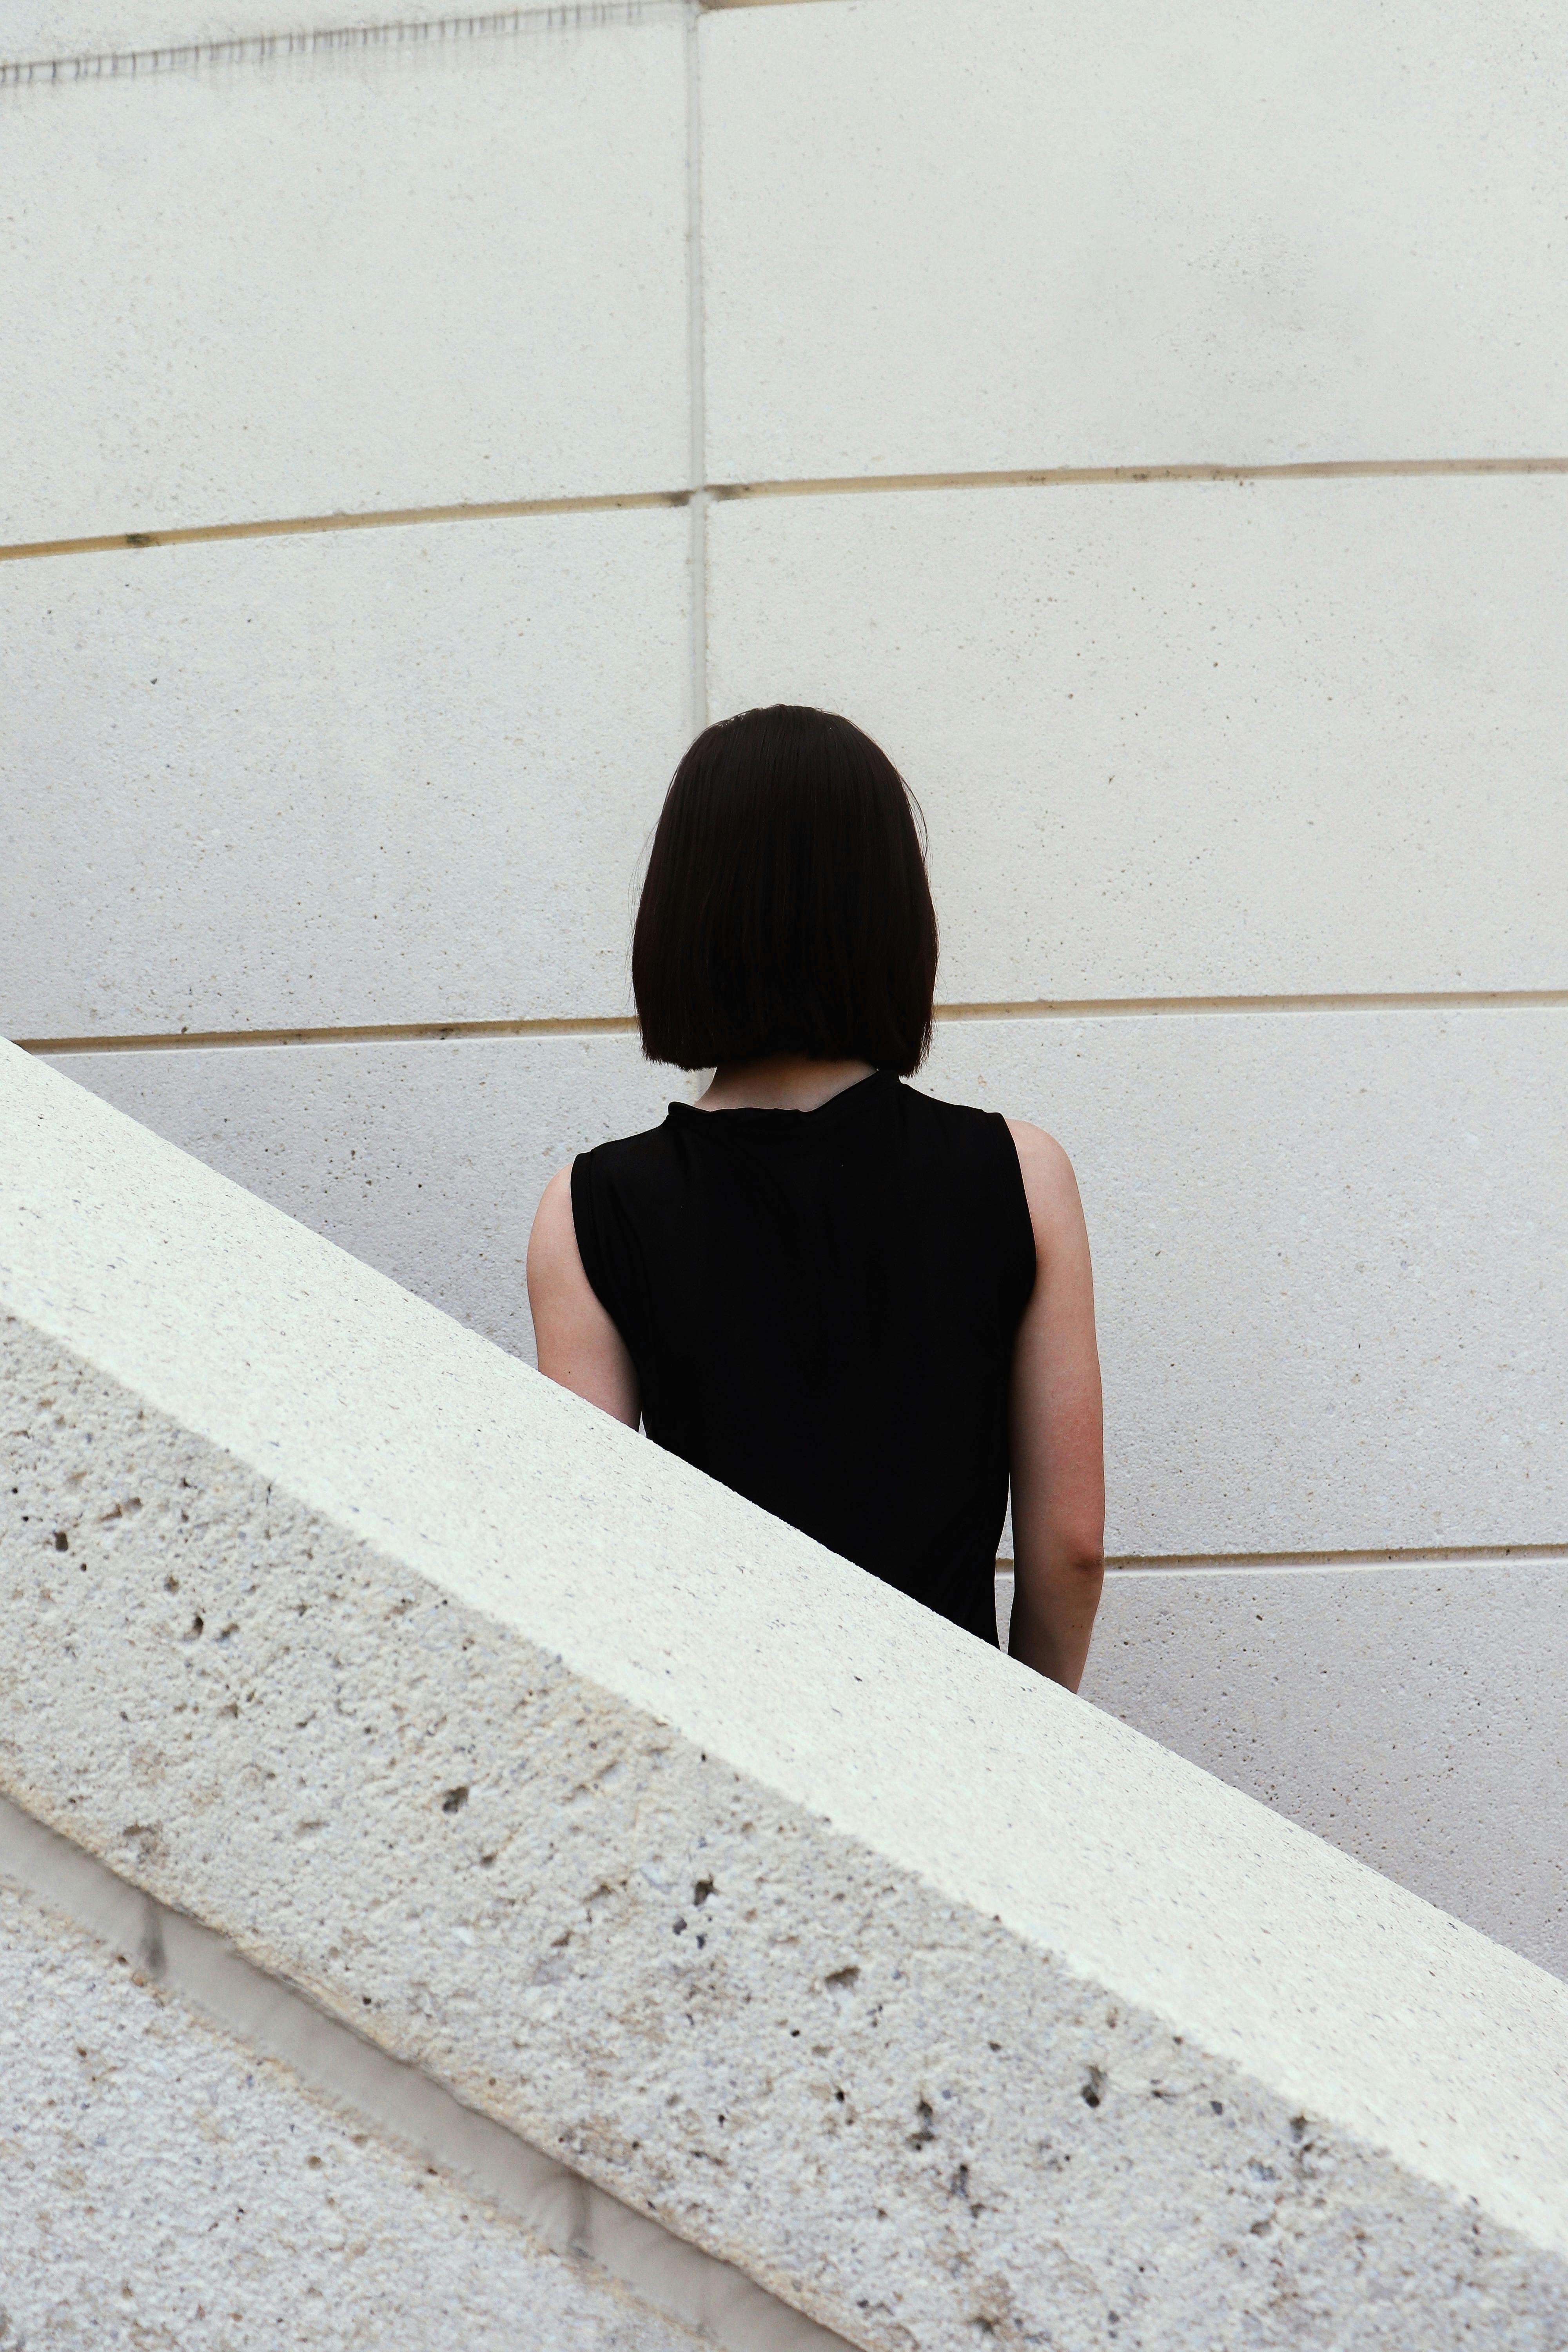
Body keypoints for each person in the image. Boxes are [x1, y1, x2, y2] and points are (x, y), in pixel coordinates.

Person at [526, 705, 1105, 1690]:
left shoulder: (589, 1207)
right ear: (890, 912)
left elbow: (590, 1559)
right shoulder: (1018, 1171)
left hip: (731, 1768)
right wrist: (1034, 1743)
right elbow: (1071, 1549)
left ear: (683, 911)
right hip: (962, 1754)